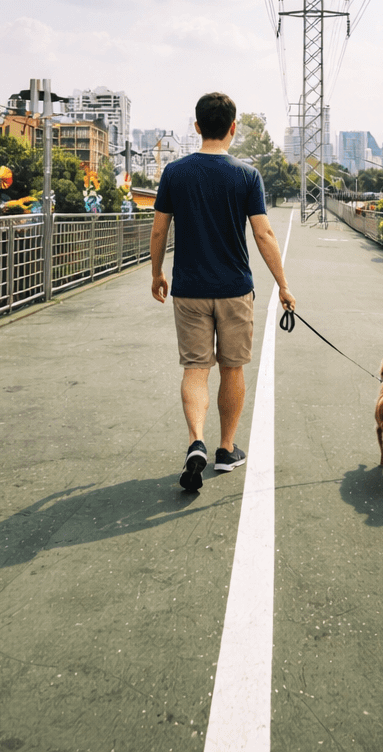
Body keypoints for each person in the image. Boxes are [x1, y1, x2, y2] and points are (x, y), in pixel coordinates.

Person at [150, 92, 295, 492]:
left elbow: (160, 228)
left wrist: (156, 273)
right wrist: (283, 285)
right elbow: (263, 233)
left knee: (195, 369)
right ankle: (225, 449)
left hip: (189, 290)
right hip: (234, 289)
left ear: (197, 126)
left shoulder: (175, 173)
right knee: (233, 368)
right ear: (233, 128)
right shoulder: (246, 176)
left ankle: (196, 440)